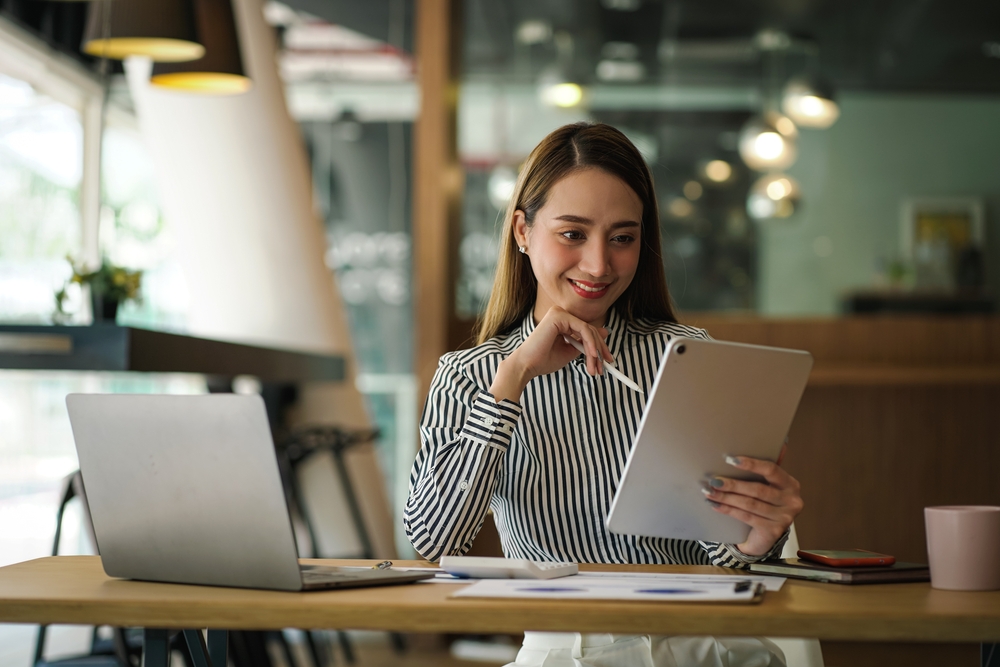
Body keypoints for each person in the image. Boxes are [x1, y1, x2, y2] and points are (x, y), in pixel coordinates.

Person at [404, 122, 803, 667]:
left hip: (697, 646)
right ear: (522, 231)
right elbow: (430, 539)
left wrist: (754, 537)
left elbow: (723, 559)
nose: (598, 265)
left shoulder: (684, 357)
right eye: (572, 234)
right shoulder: (472, 375)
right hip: (567, 650)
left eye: (622, 238)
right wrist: (514, 375)